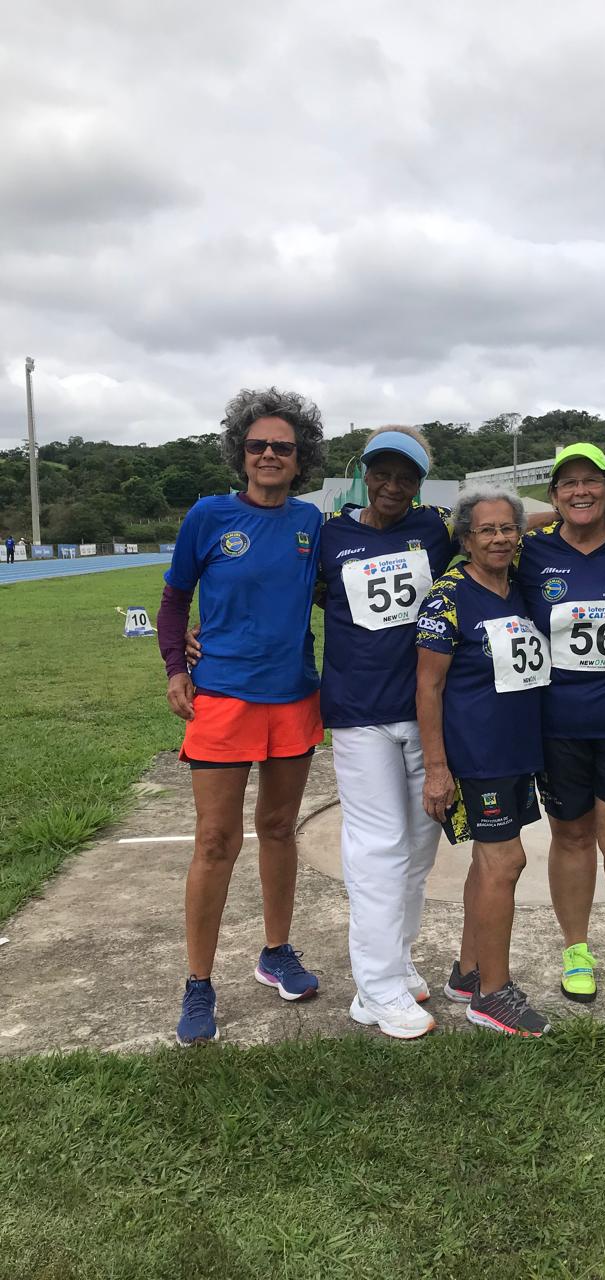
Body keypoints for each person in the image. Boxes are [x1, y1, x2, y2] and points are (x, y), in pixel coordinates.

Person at [158, 388, 325, 1046]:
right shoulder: (208, 516)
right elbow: (175, 600)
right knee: (215, 842)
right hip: (224, 699)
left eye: (283, 446)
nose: (269, 455)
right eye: (258, 445)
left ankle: (275, 952)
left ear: (300, 457)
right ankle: (198, 983)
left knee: (279, 828)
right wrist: (176, 664)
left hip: (293, 697)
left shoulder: (312, 522)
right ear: (241, 452)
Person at [318, 427, 457, 1039]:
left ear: (420, 483)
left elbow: (500, 524)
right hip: (360, 714)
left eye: (406, 477)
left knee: (419, 854)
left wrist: (586, 506)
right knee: (379, 850)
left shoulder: (435, 529)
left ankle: (394, 964)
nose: (392, 486)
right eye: (382, 473)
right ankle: (375, 988)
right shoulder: (330, 536)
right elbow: (285, 592)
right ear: (365, 474)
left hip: (427, 715)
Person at [515, 443, 605, 1003]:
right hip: (558, 724)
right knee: (572, 836)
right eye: (568, 484)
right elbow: (481, 534)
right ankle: (575, 947)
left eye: (592, 481)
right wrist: (545, 518)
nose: (581, 491)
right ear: (554, 495)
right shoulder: (531, 552)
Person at [416, 488, 552, 1037]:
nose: (498, 538)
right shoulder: (448, 596)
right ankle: (494, 994)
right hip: (478, 753)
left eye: (507, 528)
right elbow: (428, 687)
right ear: (465, 539)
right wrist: (436, 768)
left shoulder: (517, 584)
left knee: (487, 863)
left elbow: (541, 520)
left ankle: (468, 971)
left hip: (518, 749)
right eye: (485, 530)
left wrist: (564, 509)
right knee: (505, 862)